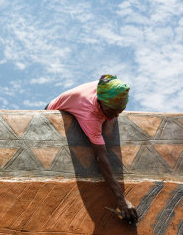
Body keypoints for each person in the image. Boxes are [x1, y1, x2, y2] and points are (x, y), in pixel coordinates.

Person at [45, 74, 138, 224]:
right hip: (52, 111)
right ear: (100, 102)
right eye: (111, 111)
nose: (115, 115)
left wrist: (111, 111)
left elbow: (108, 76)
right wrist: (121, 199)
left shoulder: (108, 86)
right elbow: (101, 158)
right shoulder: (90, 117)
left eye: (119, 110)